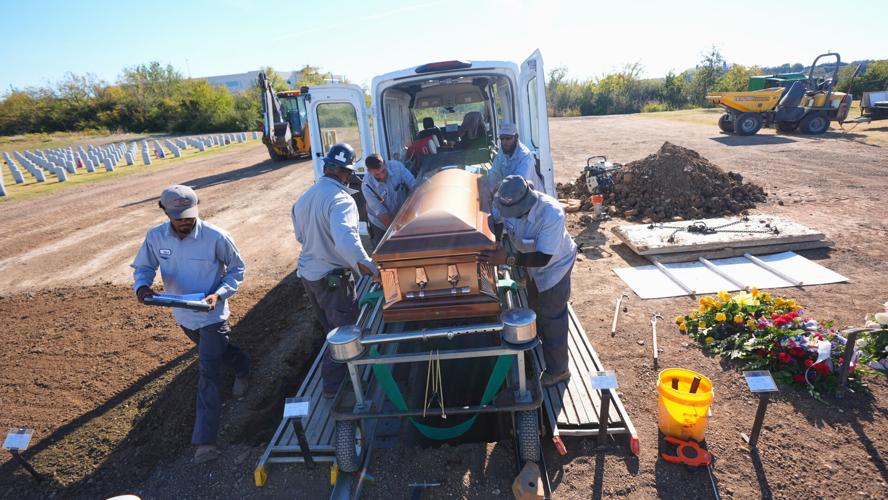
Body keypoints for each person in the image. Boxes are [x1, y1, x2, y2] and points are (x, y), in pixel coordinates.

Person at [132, 184, 249, 464]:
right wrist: (142, 286)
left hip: (212, 315)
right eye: (178, 216)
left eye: (189, 215)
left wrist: (219, 294)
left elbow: (237, 269)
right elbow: (144, 267)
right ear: (165, 212)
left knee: (208, 372)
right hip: (182, 315)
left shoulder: (216, 237)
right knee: (219, 353)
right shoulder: (155, 237)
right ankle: (244, 365)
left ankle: (205, 442)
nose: (185, 221)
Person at [292, 143, 379, 398]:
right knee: (344, 334)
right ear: (347, 172)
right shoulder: (342, 200)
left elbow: (300, 236)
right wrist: (370, 267)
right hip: (332, 279)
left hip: (309, 276)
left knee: (330, 329)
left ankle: (337, 380)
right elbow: (346, 241)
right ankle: (336, 389)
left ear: (326, 166)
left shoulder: (304, 197)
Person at [482, 175, 577, 387]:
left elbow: (544, 258)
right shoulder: (504, 198)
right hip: (531, 263)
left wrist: (506, 258)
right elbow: (497, 219)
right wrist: (497, 241)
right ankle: (541, 340)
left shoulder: (551, 214)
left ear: (526, 203)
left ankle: (559, 370)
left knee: (553, 316)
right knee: (534, 304)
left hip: (555, 267)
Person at [483, 121, 545, 210]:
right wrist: (489, 187)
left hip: (532, 203)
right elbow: (495, 172)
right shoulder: (502, 151)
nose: (504, 142)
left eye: (508, 138)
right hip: (512, 197)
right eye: (502, 138)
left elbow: (518, 184)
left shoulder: (525, 156)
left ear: (516, 137)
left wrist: (497, 188)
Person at [361, 154, 418, 250]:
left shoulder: (397, 167)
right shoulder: (366, 186)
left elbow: (415, 186)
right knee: (384, 251)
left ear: (385, 164)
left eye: (383, 171)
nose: (382, 176)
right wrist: (397, 233)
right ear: (369, 172)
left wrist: (412, 214)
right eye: (377, 175)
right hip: (380, 224)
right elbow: (381, 213)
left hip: (403, 214)